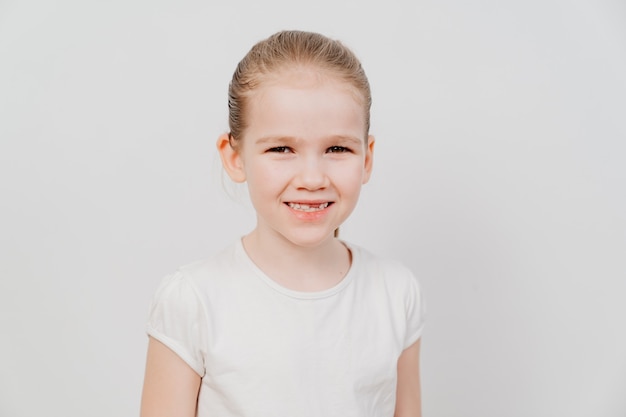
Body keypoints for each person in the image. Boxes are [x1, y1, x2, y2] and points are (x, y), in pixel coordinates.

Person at [140, 30, 425, 417]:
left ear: (367, 157)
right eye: (281, 149)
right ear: (235, 156)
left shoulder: (395, 292)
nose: (312, 178)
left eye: (337, 148)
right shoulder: (194, 300)